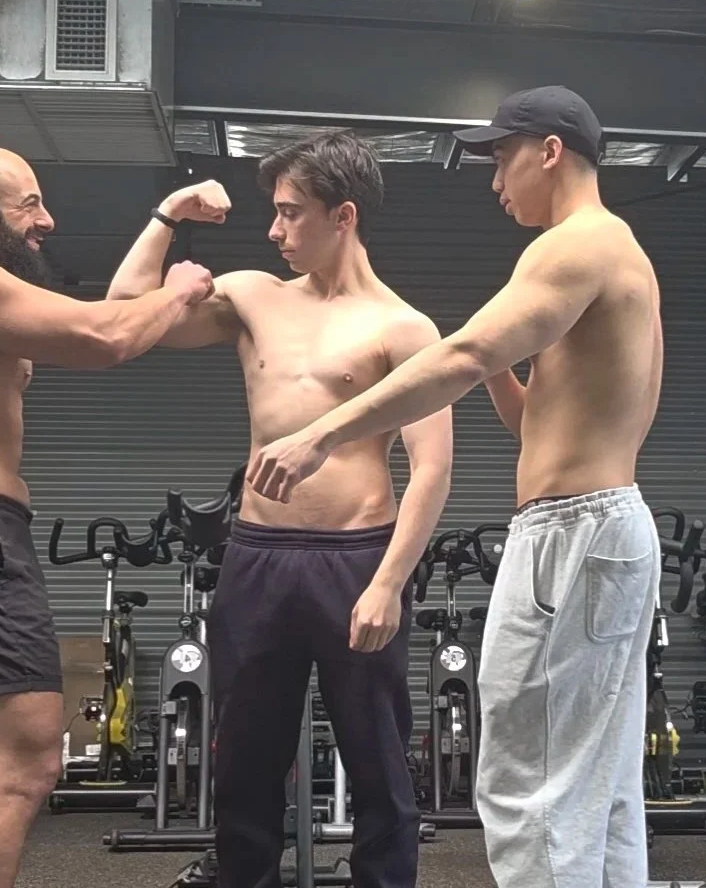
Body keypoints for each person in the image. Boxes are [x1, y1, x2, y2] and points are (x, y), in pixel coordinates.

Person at [246, 86, 664, 888]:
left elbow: (463, 355)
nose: (494, 179)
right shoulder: (624, 255)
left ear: (549, 151)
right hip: (608, 525)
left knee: (528, 785)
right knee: (596, 787)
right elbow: (538, 423)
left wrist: (320, 432)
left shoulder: (570, 244)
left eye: (502, 158)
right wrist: (496, 363)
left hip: (570, 534)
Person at [106, 131, 453, 888]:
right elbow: (124, 312)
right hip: (258, 557)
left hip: (357, 559)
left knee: (379, 765)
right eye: (275, 213)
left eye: (292, 213)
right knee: (245, 763)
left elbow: (431, 468)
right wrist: (168, 213)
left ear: (343, 216)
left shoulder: (403, 328)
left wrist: (388, 584)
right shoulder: (254, 297)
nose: (274, 230)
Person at [0, 144, 215, 888]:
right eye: (29, 205)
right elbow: (105, 338)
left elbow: (111, 315)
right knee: (24, 766)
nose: (46, 220)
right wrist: (183, 287)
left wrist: (164, 219)